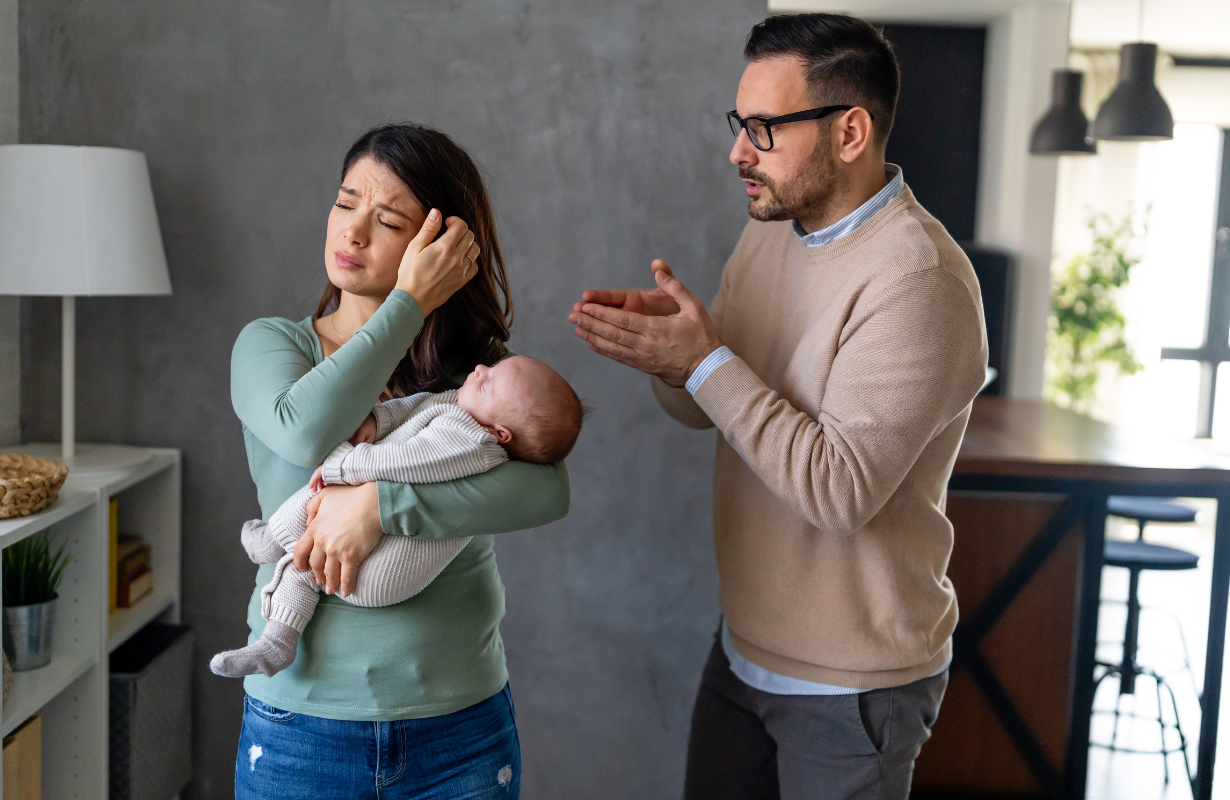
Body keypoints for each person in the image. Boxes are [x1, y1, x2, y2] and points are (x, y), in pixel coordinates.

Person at [569, 13, 987, 800]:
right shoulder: (771, 231)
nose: (738, 152)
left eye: (763, 129)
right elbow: (713, 407)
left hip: (850, 686)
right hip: (742, 650)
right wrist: (675, 354)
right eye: (740, 124)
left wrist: (705, 360)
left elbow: (838, 490)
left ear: (851, 131)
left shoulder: (918, 281)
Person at [230, 122, 568, 799]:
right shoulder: (272, 347)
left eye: (386, 219)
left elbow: (546, 493)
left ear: (440, 247)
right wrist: (409, 305)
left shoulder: (478, 378)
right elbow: (304, 432)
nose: (352, 232)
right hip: (302, 723)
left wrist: (380, 505)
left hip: (458, 726)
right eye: (345, 201)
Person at [212, 356, 585, 679]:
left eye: (489, 382)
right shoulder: (464, 408)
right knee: (304, 567)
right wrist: (378, 418)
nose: (480, 368)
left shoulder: (470, 441)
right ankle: (277, 643)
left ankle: (269, 541)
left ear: (499, 432)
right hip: (379, 572)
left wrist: (341, 465)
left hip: (385, 571)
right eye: (491, 368)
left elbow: (402, 460)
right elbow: (415, 407)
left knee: (318, 497)